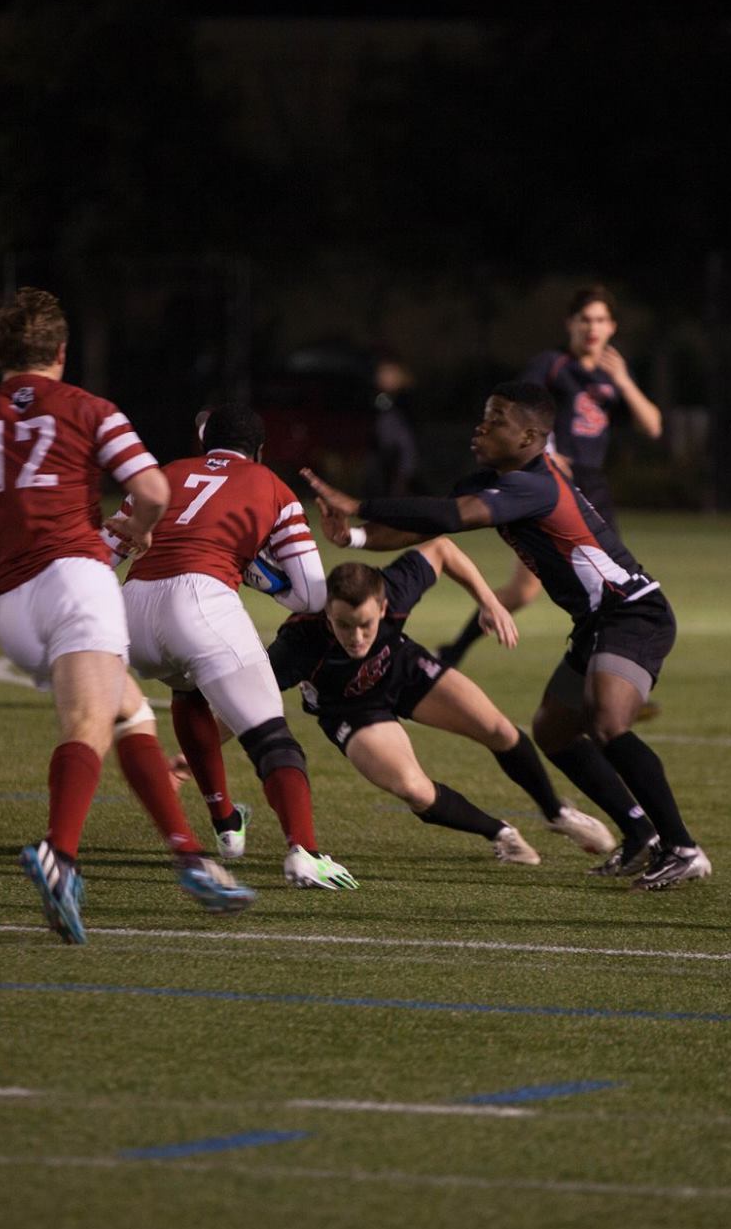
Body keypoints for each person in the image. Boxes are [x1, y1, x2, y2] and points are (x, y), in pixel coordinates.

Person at [0, 287, 251, 945]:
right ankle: (59, 854)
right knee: (88, 719)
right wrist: (139, 530)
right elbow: (152, 489)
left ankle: (189, 855)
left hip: (12, 605)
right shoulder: (90, 409)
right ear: (63, 353)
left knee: (128, 710)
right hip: (76, 580)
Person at [303, 379, 710, 891]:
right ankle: (639, 835)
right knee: (554, 731)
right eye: (484, 415)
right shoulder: (496, 478)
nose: (482, 425)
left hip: (632, 613)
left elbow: (450, 516)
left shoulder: (534, 484)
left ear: (529, 437)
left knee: (607, 721)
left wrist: (361, 504)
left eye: (497, 419)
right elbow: (428, 527)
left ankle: (682, 847)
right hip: (595, 624)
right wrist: (356, 536)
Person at [105, 402, 357, 892]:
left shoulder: (165, 473)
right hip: (202, 602)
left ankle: (224, 821)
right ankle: (304, 851)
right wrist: (258, 575)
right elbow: (311, 595)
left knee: (187, 691)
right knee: (272, 739)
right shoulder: (273, 488)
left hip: (130, 608)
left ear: (204, 443)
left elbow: (105, 548)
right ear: (260, 451)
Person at [263, 540, 617, 864]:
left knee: (498, 729)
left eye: (366, 624)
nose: (356, 638)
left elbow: (443, 549)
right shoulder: (298, 642)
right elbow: (242, 700)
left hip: (402, 670)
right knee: (412, 789)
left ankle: (556, 813)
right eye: (343, 625)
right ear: (327, 613)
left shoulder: (395, 588)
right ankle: (500, 833)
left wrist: (489, 602)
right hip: (350, 710)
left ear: (384, 607)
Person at [436, 287, 663, 699]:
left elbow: (653, 426)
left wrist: (624, 380)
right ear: (570, 324)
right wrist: (550, 455)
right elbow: (519, 413)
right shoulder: (553, 366)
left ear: (612, 326)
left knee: (610, 589)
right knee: (534, 591)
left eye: (600, 320)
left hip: (593, 488)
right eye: (584, 320)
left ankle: (616, 677)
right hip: (551, 488)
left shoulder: (610, 377)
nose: (592, 328)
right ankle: (452, 652)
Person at [365, 352, 422, 498]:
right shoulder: (377, 397)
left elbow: (408, 438)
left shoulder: (405, 398)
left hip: (401, 448)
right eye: (381, 373)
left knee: (403, 477)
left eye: (388, 373)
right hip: (383, 449)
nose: (383, 377)